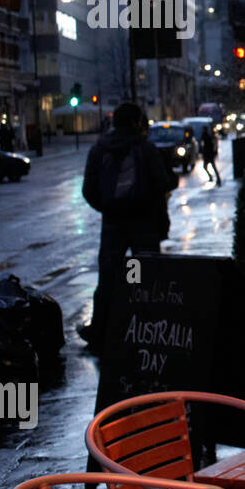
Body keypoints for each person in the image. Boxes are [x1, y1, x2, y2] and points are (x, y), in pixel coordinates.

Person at [78, 102, 178, 349]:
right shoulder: (145, 149)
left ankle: (100, 329)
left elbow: (88, 190)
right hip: (143, 224)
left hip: (113, 224)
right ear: (136, 123)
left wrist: (108, 208)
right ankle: (147, 327)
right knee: (146, 279)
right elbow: (163, 183)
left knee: (108, 278)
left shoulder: (99, 149)